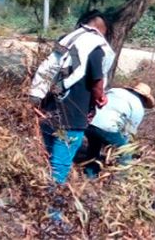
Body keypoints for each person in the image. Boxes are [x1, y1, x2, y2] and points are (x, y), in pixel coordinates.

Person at [30, 10, 115, 185]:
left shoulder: (66, 42)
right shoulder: (95, 47)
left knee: (46, 158)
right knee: (59, 168)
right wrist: (100, 98)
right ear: (102, 29)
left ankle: (36, 199)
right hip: (72, 119)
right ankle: (52, 209)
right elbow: (97, 81)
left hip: (48, 112)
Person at [82, 82, 155, 177]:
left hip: (89, 123)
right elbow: (128, 132)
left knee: (94, 146)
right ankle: (120, 181)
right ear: (145, 99)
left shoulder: (114, 90)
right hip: (108, 128)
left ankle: (90, 174)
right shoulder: (138, 108)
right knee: (126, 153)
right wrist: (123, 146)